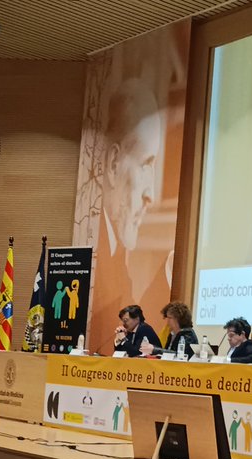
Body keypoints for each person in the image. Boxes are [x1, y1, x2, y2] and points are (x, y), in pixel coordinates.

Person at [88, 78, 169, 355]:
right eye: (146, 164)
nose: (151, 195)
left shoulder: (115, 250)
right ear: (112, 164)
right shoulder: (99, 245)